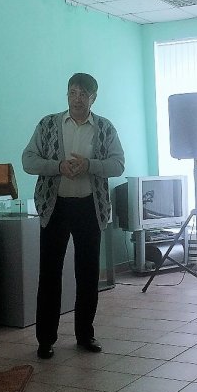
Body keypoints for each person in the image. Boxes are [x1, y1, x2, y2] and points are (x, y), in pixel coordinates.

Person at [22, 73, 125, 359]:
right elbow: (28, 160)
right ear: (67, 94)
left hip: (90, 208)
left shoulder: (105, 127)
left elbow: (118, 164)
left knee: (88, 273)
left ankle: (85, 335)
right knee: (50, 274)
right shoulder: (48, 124)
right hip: (54, 207)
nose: (77, 99)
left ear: (94, 98)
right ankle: (45, 340)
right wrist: (58, 167)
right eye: (73, 92)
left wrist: (90, 165)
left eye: (83, 94)